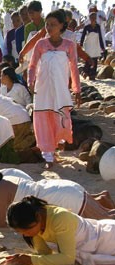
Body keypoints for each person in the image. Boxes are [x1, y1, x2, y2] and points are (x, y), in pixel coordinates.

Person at [0, 167, 115, 227]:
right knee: (104, 215)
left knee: (107, 221)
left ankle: (103, 202)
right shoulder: (2, 178)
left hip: (67, 199)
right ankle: (102, 198)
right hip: (63, 189)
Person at [0, 196, 115, 265]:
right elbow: (44, 253)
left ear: (38, 217)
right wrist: (22, 260)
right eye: (20, 232)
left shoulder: (60, 218)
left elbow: (67, 258)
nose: (25, 235)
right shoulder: (36, 224)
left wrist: (30, 260)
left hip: (107, 237)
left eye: (26, 230)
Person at [28, 10, 81, 169]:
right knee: (43, 119)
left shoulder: (69, 45)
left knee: (60, 117)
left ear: (62, 26)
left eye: (53, 24)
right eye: (47, 24)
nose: (49, 27)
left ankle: (56, 145)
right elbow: (32, 66)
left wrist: (77, 89)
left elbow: (74, 69)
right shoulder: (41, 44)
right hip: (43, 89)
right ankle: (48, 156)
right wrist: (31, 81)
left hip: (60, 90)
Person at [80, 12, 106, 80]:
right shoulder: (86, 27)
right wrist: (80, 45)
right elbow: (83, 37)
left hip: (95, 45)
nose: (93, 19)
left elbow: (100, 37)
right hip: (88, 45)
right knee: (88, 59)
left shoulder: (98, 26)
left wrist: (102, 47)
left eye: (94, 17)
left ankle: (92, 75)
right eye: (92, 18)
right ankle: (85, 72)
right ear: (90, 18)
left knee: (95, 60)